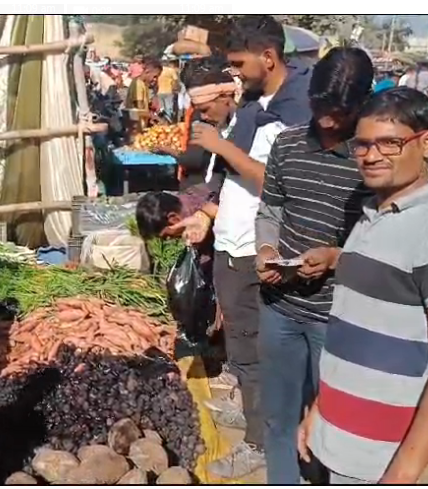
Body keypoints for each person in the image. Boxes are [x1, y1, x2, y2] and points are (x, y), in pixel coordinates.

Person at [298, 87, 428, 484]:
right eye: (362, 144)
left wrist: (405, 470)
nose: (371, 155)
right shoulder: (372, 214)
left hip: (380, 458)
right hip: (333, 436)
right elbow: (351, 336)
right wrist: (321, 410)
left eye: (390, 143)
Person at [172, 16, 313, 479]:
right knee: (241, 345)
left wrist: (221, 146)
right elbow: (234, 181)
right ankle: (255, 417)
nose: (234, 73)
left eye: (238, 64)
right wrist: (207, 217)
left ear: (267, 57)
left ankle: (259, 441)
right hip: (234, 243)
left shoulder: (294, 111)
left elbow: (280, 183)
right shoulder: (257, 103)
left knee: (258, 351)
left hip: (261, 249)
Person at [254, 47, 375, 485]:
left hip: (338, 319)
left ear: (363, 102)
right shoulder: (287, 144)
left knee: (334, 427)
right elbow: (271, 210)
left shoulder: (372, 161)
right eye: (320, 107)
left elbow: (390, 241)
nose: (326, 120)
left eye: (339, 112)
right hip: (279, 309)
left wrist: (337, 259)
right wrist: (267, 252)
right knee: (279, 419)